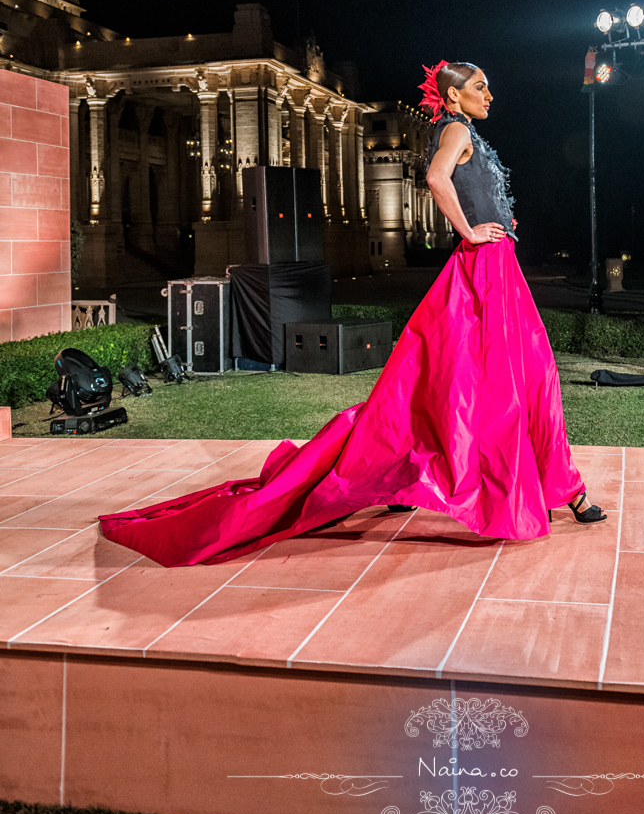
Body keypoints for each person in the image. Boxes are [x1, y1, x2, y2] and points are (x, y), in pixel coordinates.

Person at [98, 60, 605, 567]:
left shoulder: (462, 130)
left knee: (486, 381)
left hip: (495, 266)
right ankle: (551, 487)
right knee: (512, 381)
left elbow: (464, 185)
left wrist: (491, 218)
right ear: (453, 98)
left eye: (487, 86)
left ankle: (508, 480)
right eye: (479, 87)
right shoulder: (453, 128)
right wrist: (471, 231)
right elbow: (435, 177)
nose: (489, 94)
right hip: (484, 268)